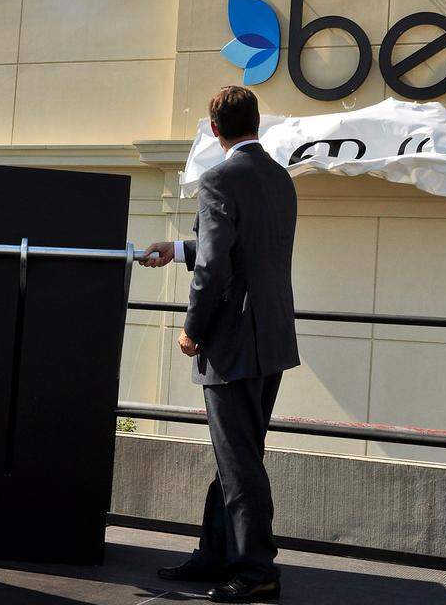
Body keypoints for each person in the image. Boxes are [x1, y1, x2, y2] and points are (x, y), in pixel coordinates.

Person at [139, 85, 298, 603]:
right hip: (271, 338)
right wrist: (178, 246)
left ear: (214, 130)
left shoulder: (217, 179)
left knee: (238, 460)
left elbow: (214, 267)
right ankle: (215, 554)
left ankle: (257, 570)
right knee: (236, 454)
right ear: (257, 123)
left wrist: (193, 330)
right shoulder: (280, 179)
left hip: (232, 342)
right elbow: (241, 247)